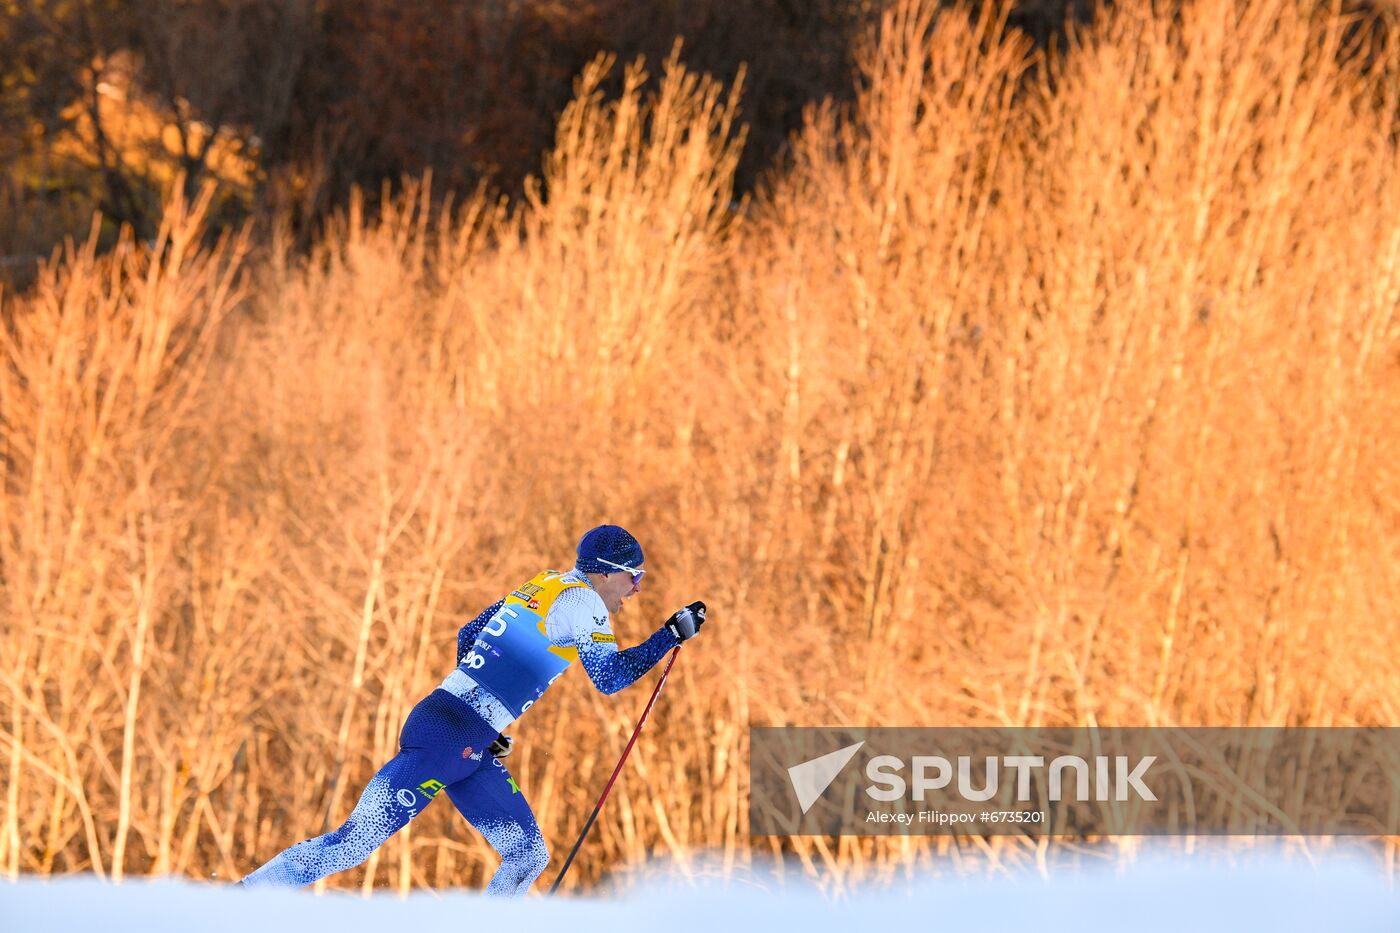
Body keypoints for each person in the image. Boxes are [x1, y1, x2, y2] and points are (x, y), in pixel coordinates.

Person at [240, 524, 706, 896]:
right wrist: (670, 635)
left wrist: (488, 716)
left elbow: (469, 634)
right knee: (354, 842)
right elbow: (610, 679)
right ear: (605, 572)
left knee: (528, 856)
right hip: (449, 737)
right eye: (634, 577)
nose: (636, 590)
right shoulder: (585, 603)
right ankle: (238, 903)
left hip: (462, 733)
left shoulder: (546, 581)